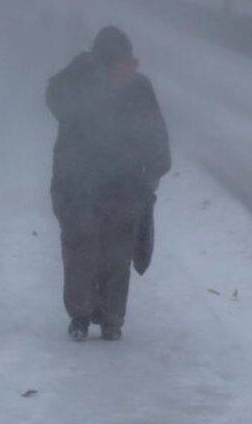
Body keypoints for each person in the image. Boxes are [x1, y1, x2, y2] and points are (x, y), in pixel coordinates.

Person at [46, 26, 171, 341]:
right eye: (120, 66)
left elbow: (156, 133)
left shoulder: (140, 89)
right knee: (80, 248)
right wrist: (78, 68)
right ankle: (80, 315)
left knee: (117, 253)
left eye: (130, 64)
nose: (126, 72)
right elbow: (54, 97)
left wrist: (154, 170)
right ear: (102, 65)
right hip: (78, 183)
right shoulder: (77, 85)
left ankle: (112, 319)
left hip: (125, 185)